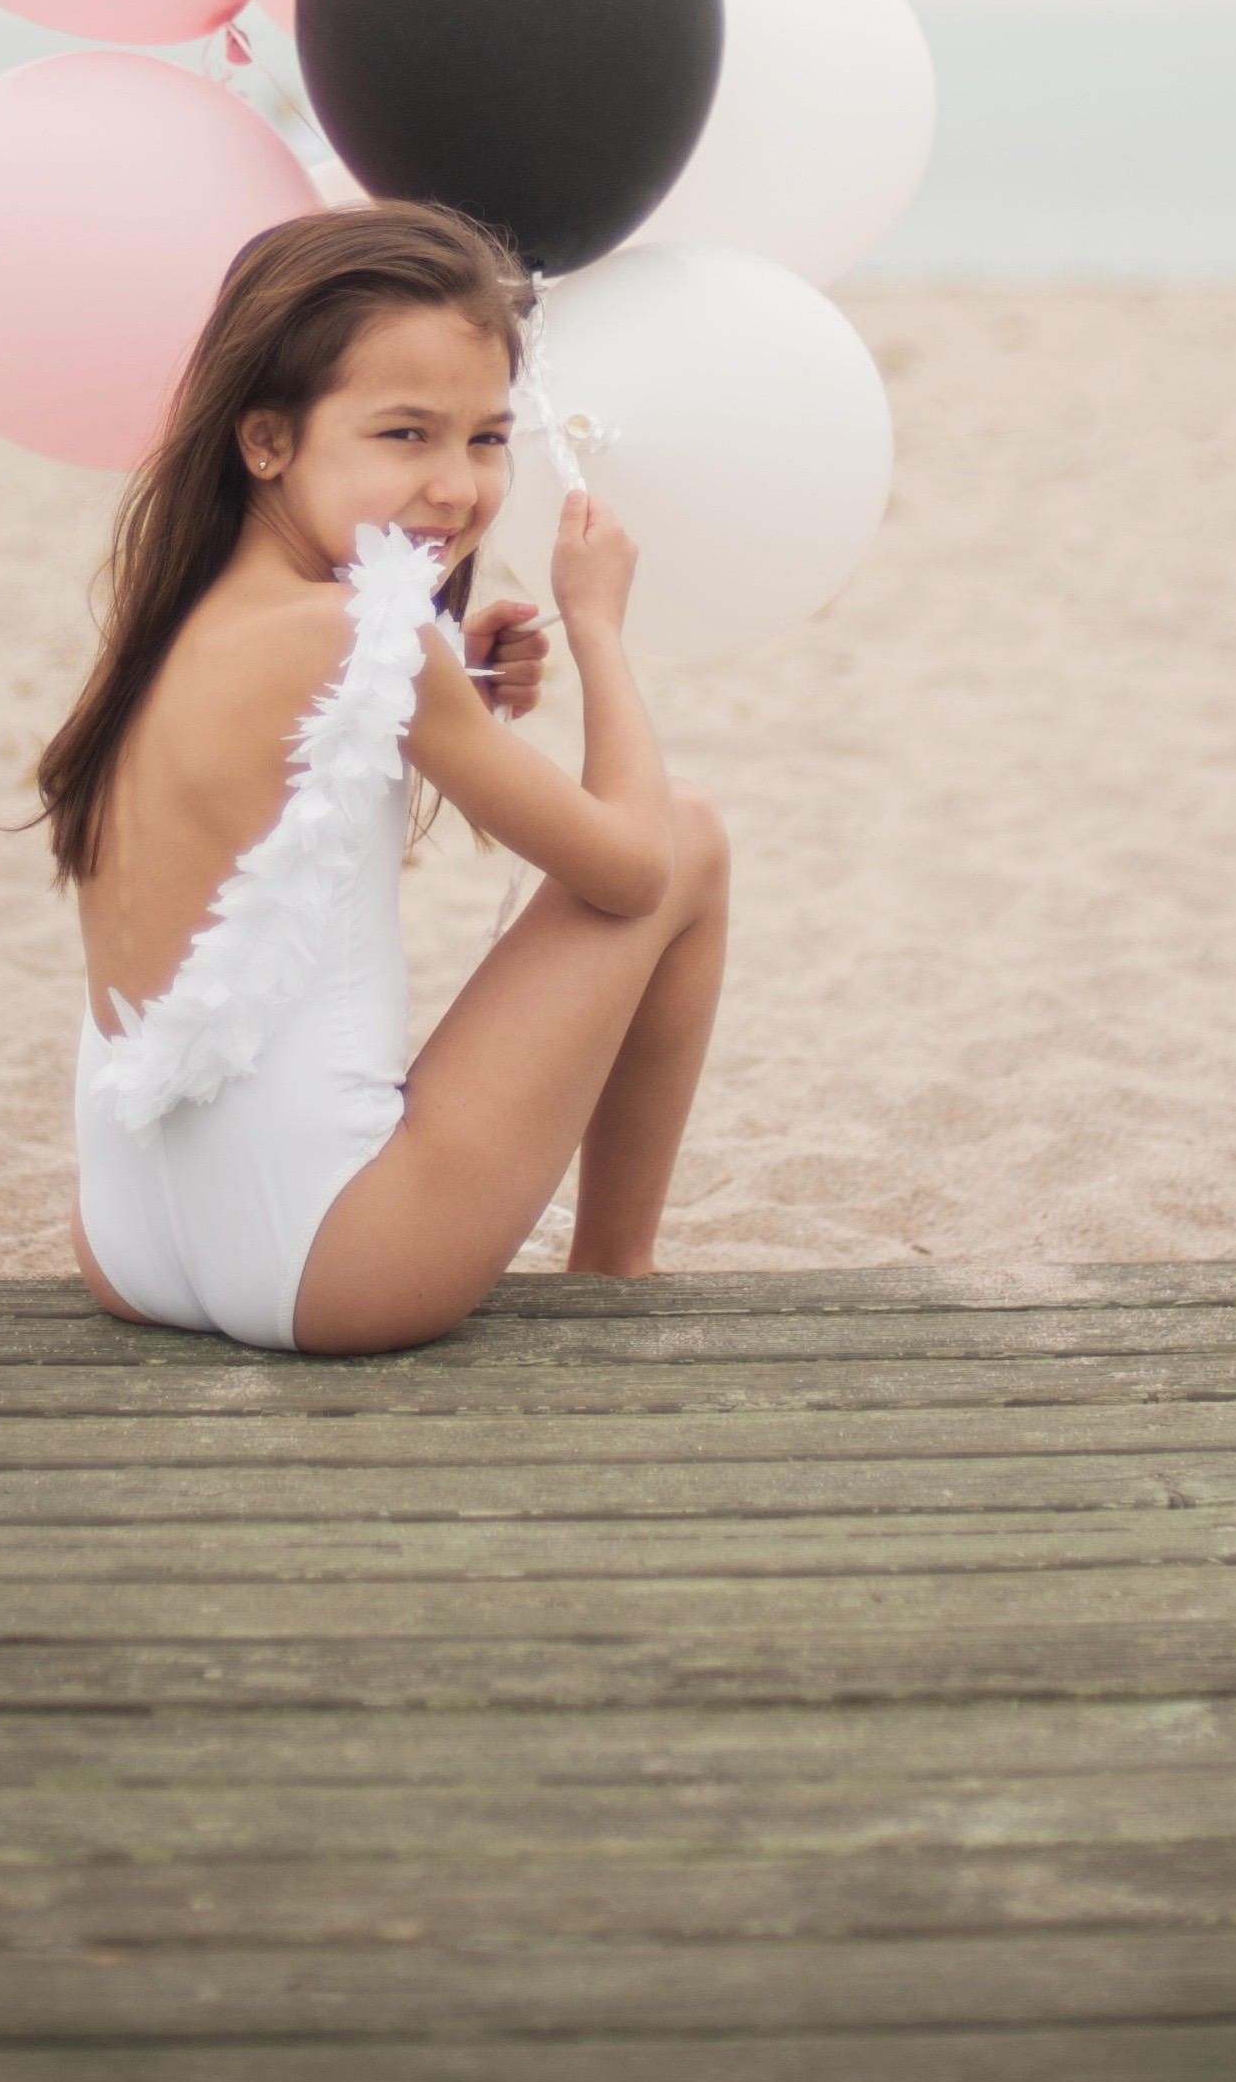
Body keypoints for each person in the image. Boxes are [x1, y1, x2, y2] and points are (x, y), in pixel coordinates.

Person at [40, 202, 728, 1357]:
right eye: (405, 433)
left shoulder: (163, 626)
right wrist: (598, 625)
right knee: (691, 832)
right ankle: (616, 1267)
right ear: (267, 438)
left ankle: (608, 1263)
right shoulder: (368, 633)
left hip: (127, 1245)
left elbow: (294, 779)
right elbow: (633, 866)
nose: (457, 487)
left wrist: (460, 682)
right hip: (335, 1262)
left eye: (488, 436)